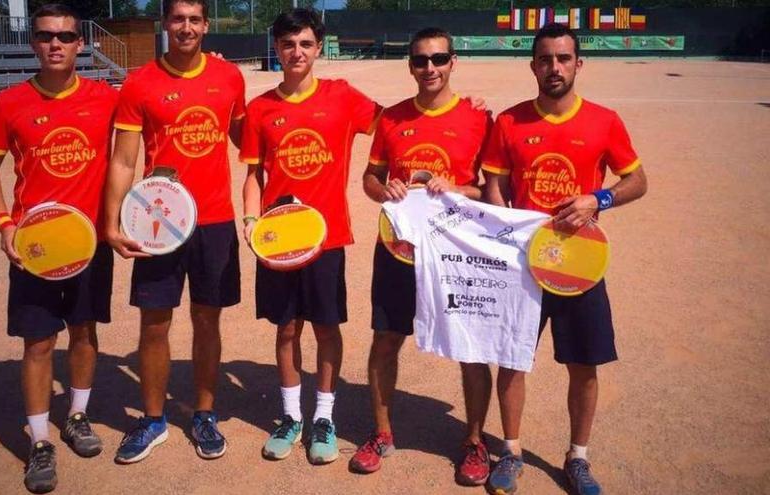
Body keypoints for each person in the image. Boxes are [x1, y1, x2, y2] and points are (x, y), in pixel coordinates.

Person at [481, 23, 648, 495]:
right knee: (513, 361)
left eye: (563, 58)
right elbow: (495, 180)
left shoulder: (604, 121)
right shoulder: (510, 122)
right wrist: (503, 216)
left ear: (579, 63)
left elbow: (636, 181)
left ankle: (578, 458)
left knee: (584, 364)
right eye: (545, 59)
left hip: (579, 263)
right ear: (532, 65)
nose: (554, 67)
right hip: (523, 265)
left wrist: (600, 199)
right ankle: (511, 450)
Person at [0, 4, 117, 493]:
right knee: (38, 342)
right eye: (45, 36)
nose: (55, 44)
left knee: (83, 331)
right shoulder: (10, 102)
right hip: (35, 246)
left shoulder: (104, 99)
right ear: (33, 43)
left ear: (81, 43)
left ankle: (76, 416)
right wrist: (4, 222)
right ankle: (39, 441)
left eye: (65, 36)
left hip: (89, 242)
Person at [349, 26, 496, 486]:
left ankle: (474, 440)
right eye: (420, 60)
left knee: (470, 349)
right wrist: (384, 189)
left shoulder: (479, 119)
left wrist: (459, 189)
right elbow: (370, 180)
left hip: (456, 253)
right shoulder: (391, 119)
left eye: (438, 59)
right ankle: (382, 433)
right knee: (386, 339)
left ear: (453, 62)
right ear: (410, 65)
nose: (429, 68)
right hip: (398, 248)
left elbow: (490, 190)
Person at [103, 0, 245, 463]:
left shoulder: (229, 78)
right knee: (155, 322)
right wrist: (112, 220)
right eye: (178, 19)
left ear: (206, 25)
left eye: (195, 19)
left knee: (207, 320)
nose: (186, 27)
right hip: (157, 223)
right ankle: (152, 419)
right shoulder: (141, 82)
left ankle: (204, 413)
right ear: (167, 24)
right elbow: (124, 160)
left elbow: (249, 139)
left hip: (215, 220)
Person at [239, 8, 382, 465]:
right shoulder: (261, 108)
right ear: (276, 49)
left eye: (304, 43)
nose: (296, 52)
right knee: (286, 328)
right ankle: (289, 417)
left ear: (318, 47)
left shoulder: (342, 96)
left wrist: (465, 106)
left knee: (325, 327)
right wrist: (249, 222)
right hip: (279, 237)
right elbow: (252, 177)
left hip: (328, 237)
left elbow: (394, 124)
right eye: (287, 44)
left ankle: (323, 417)